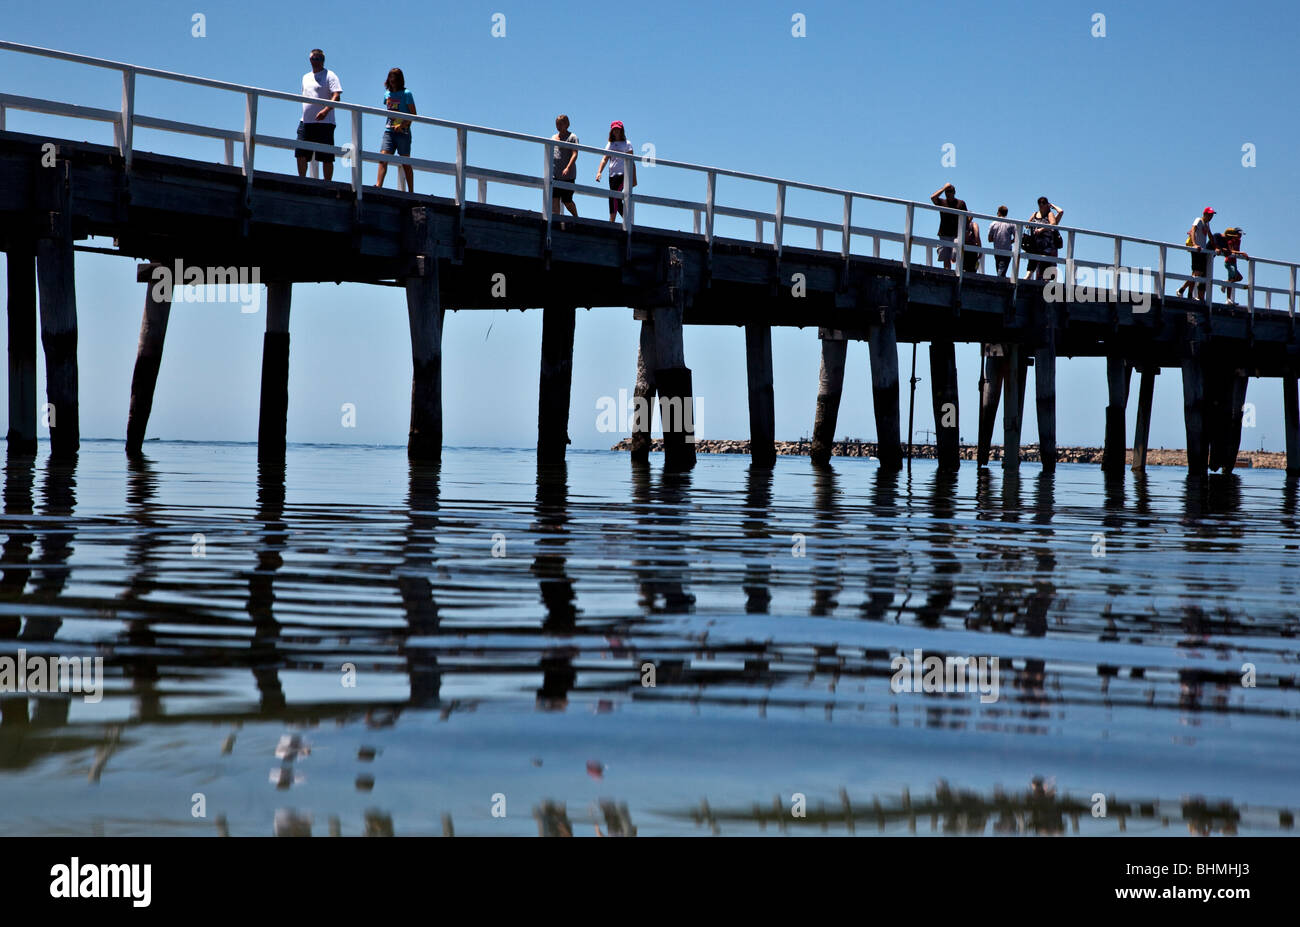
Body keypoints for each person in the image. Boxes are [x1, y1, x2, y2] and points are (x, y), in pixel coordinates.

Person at [295, 49, 343, 181]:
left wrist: (326, 110)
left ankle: (327, 182)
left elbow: (337, 95)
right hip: (306, 121)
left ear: (323, 60)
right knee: (300, 152)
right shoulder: (305, 77)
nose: (315, 62)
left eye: (318, 59)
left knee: (326, 156)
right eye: (312, 59)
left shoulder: (330, 75)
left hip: (325, 122)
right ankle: (302, 181)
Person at [376, 68, 416, 191]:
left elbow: (414, 114)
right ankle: (378, 185)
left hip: (403, 132)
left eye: (395, 79)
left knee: (405, 161)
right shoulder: (387, 94)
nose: (392, 81)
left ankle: (411, 191)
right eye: (391, 78)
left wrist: (403, 125)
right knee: (383, 157)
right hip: (389, 130)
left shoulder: (407, 94)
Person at [595, 120, 636, 222]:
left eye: (618, 129)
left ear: (622, 130)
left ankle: (612, 220)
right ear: (612, 131)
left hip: (623, 174)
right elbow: (605, 158)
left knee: (613, 195)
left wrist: (634, 178)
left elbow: (632, 162)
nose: (616, 131)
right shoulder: (610, 144)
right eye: (614, 129)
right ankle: (628, 220)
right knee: (616, 197)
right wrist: (599, 172)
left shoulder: (627, 144)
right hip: (612, 175)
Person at [1176, 207, 1216, 299]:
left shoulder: (1207, 224)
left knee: (1196, 273)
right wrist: (1194, 244)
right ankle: (1181, 289)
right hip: (1196, 249)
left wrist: (1216, 247)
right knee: (1197, 272)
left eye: (1212, 215)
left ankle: (1189, 294)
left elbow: (1210, 235)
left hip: (1202, 250)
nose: (1211, 216)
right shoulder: (1199, 220)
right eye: (1209, 214)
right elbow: (1193, 230)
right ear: (1204, 214)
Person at [1025, 196, 1064, 281]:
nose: (1041, 204)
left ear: (1047, 204)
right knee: (1034, 263)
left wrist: (1052, 206)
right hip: (1036, 245)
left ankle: (1045, 284)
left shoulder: (1050, 214)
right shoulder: (1035, 214)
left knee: (1046, 266)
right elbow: (1027, 225)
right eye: (1039, 203)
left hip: (1047, 246)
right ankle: (1031, 280)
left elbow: (1059, 214)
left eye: (1043, 203)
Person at [929, 183, 967, 270]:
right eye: (947, 192)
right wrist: (943, 188)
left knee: (955, 255)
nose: (948, 193)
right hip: (944, 234)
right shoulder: (942, 202)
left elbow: (966, 218)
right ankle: (947, 274)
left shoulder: (961, 203)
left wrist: (967, 228)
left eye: (950, 191)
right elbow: (933, 198)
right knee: (945, 258)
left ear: (954, 192)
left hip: (957, 234)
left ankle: (958, 274)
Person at [551, 114, 579, 218]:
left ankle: (576, 217)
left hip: (568, 176)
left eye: (561, 124)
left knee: (567, 201)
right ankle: (556, 222)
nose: (558, 126)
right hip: (555, 175)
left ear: (567, 124)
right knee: (555, 199)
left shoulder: (572, 137)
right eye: (557, 124)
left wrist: (568, 167)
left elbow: (575, 153)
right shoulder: (553, 138)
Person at [1217, 227, 1247, 305]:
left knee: (1237, 278)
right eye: (1238, 234)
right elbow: (1230, 251)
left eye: (1241, 234)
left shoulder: (1239, 241)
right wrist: (1241, 253)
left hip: (1234, 262)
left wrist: (1241, 254)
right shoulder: (1230, 240)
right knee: (1233, 277)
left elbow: (1237, 251)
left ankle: (1226, 286)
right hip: (1229, 262)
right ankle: (1228, 299)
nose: (1240, 236)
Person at [987, 206, 1017, 278]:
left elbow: (989, 239)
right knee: (1001, 270)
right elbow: (1017, 237)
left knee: (1000, 270)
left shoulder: (993, 223)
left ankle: (999, 283)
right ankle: (1000, 283)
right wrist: (1010, 242)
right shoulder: (1011, 223)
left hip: (997, 250)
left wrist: (997, 239)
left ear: (999, 213)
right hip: (1007, 250)